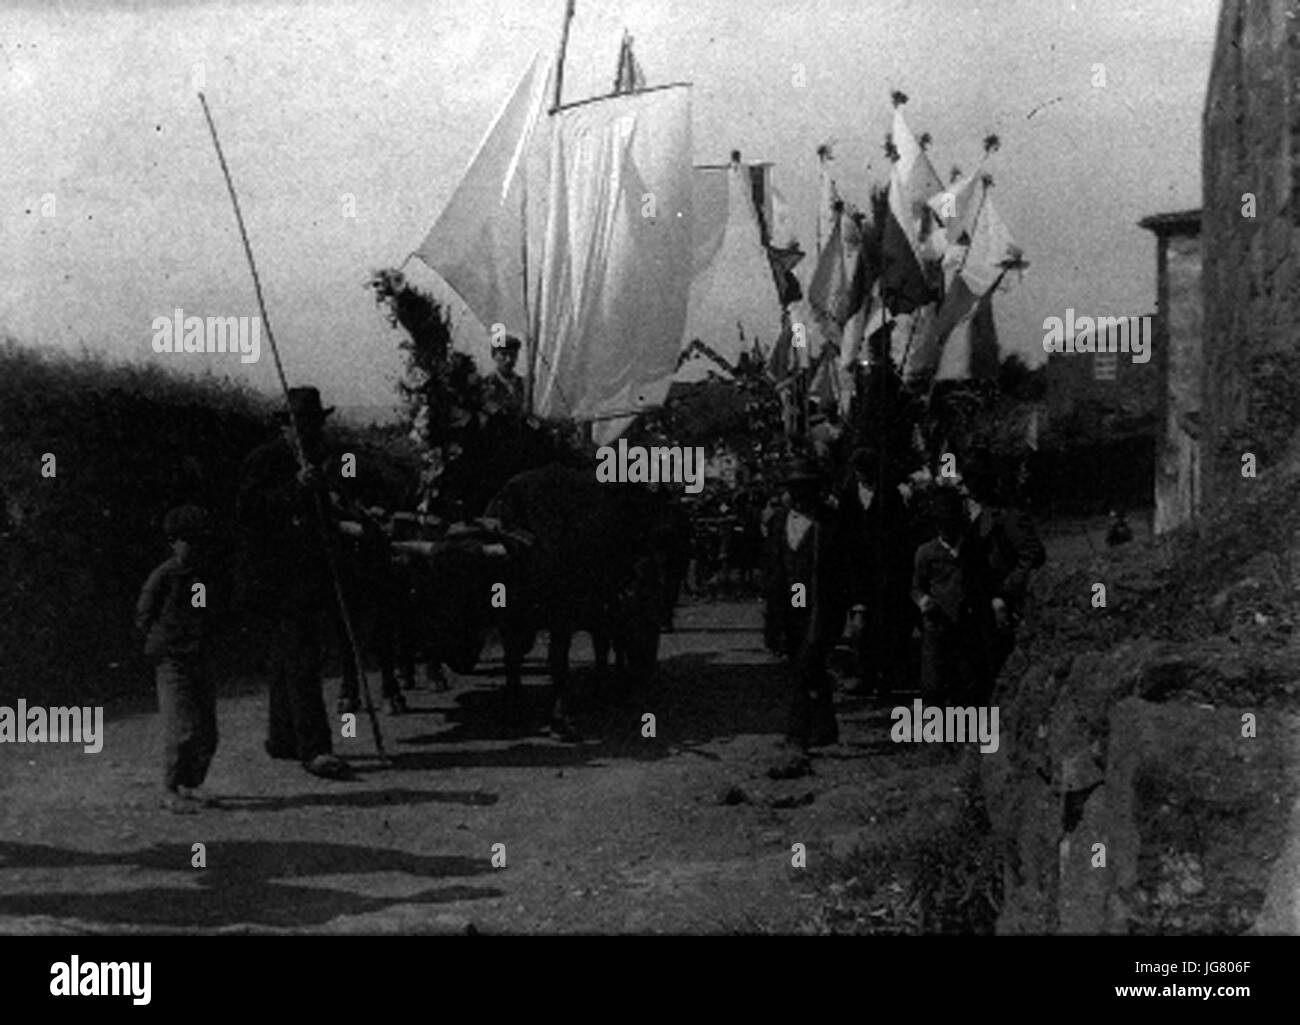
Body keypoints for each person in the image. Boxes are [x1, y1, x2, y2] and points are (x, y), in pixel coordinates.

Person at [235, 386, 353, 781]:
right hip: (273, 579)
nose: (309, 429)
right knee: (302, 659)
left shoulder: (318, 459)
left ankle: (282, 738)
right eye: (302, 422)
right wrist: (296, 489)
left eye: (314, 422)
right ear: (287, 424)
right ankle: (315, 749)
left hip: (305, 576)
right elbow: (248, 512)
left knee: (287, 657)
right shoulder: (265, 460)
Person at [135, 504, 220, 812]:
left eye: (201, 541)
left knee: (207, 730)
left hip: (199, 655)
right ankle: (169, 787)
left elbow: (206, 613)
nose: (195, 548)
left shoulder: (203, 576)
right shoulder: (164, 576)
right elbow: (144, 614)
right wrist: (162, 641)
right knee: (181, 726)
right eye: (189, 541)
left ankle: (191, 783)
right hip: (172, 658)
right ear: (174, 542)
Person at [763, 457, 840, 749]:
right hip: (790, 603)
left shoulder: (829, 522)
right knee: (804, 664)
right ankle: (826, 728)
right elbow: (772, 566)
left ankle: (797, 735)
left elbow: (844, 567)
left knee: (805, 666)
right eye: (794, 488)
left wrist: (853, 607)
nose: (799, 495)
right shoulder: (779, 521)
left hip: (821, 605)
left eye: (805, 488)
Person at [960, 451, 1046, 685]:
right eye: (968, 480)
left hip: (997, 602)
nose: (970, 486)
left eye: (975, 480)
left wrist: (1004, 593)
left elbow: (1032, 556)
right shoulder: (964, 514)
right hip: (970, 602)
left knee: (999, 667)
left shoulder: (1008, 515)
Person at [838, 446, 915, 703]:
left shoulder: (889, 494)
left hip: (886, 570)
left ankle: (886, 679)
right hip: (858, 570)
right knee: (860, 627)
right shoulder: (848, 495)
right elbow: (844, 533)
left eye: (867, 471)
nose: (863, 475)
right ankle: (864, 675)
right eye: (859, 471)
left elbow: (901, 533)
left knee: (886, 626)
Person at [911, 486, 994, 705]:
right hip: (937, 625)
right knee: (933, 684)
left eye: (951, 523)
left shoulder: (973, 549)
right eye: (941, 524)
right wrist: (923, 601)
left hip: (967, 623)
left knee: (968, 681)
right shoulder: (926, 552)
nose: (946, 529)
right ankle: (937, 734)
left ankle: (965, 731)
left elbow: (984, 582)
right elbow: (916, 587)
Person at [483, 334, 525, 418]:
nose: (509, 360)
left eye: (513, 355)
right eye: (504, 354)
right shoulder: (486, 384)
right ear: (494, 355)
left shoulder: (523, 384)